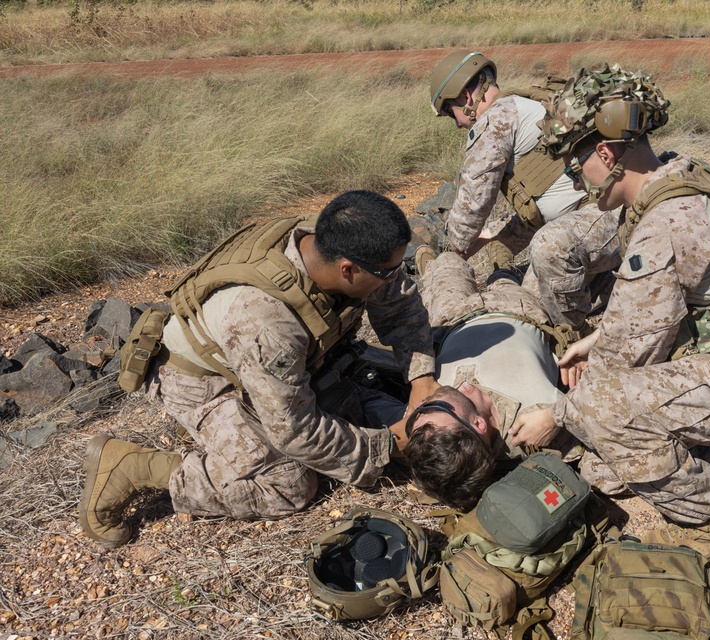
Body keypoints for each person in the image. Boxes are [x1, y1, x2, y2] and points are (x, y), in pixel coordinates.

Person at [508, 65, 710, 564]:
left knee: (606, 418)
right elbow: (647, 317)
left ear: (605, 156)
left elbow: (621, 364)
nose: (575, 178)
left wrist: (557, 415)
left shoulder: (665, 223)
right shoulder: (681, 173)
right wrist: (600, 335)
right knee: (612, 467)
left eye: (574, 166)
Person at [79, 191, 439, 549]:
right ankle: (133, 466)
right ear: (348, 270)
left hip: (264, 362)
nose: (395, 277)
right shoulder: (267, 323)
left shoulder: (333, 241)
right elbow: (294, 430)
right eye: (388, 271)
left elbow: (400, 306)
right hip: (202, 380)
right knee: (290, 484)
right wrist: (387, 447)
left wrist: (421, 379)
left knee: (358, 407)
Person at [429, 50, 622, 330]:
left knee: (529, 312)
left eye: (451, 113)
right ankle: (610, 283)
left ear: (465, 98)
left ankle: (574, 342)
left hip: (598, 219)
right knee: (530, 291)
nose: (458, 123)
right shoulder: (524, 105)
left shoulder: (495, 119)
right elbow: (545, 199)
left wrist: (451, 252)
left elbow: (474, 201)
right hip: (603, 220)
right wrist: (502, 240)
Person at [401, 248, 581, 511]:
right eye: (441, 407)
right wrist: (557, 415)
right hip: (519, 307)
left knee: (448, 260)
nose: (428, 401)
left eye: (420, 413)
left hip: (451, 319)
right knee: (523, 267)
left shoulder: (433, 432)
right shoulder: (531, 423)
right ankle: (502, 264)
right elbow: (603, 410)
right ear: (478, 424)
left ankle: (432, 269)